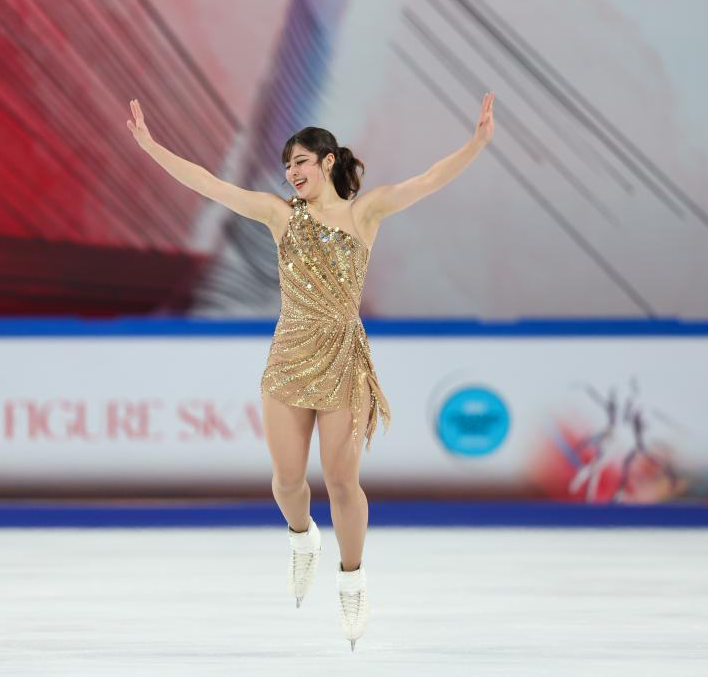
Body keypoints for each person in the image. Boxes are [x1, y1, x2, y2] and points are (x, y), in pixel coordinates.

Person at [127, 93, 495, 650]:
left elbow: (428, 180)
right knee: (286, 481)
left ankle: (352, 580)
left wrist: (477, 143)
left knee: (343, 481)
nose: (291, 172)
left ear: (327, 161)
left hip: (343, 358)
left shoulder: (365, 213)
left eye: (300, 161)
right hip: (289, 357)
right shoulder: (280, 216)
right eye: (286, 166)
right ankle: (303, 538)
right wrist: (153, 148)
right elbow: (210, 184)